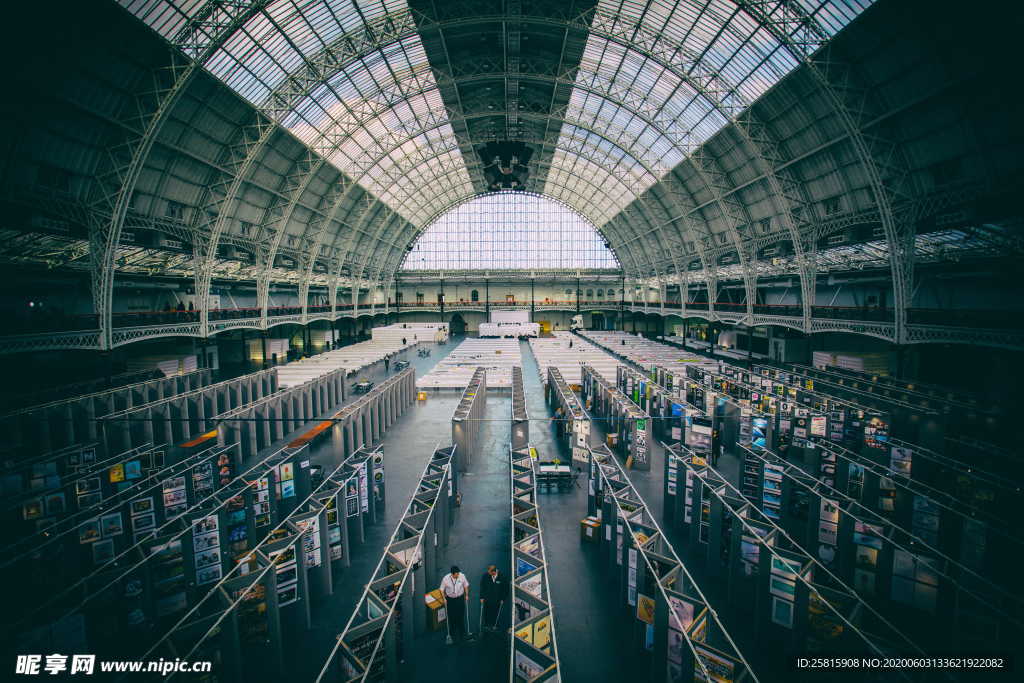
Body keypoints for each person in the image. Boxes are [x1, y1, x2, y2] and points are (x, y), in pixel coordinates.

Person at [440, 565, 470, 643]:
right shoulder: (445, 579)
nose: (458, 576)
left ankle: (462, 631)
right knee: (451, 615)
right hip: (450, 600)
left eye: (458, 574)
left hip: (460, 598)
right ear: (452, 574)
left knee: (460, 615)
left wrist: (466, 595)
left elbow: (466, 585)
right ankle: (452, 631)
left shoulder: (462, 576)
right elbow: (441, 589)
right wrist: (444, 598)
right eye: (456, 575)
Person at [479, 564, 506, 632]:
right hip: (487, 598)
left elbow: (505, 588)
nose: (488, 573)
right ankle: (486, 625)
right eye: (488, 572)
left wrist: (503, 598)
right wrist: (482, 597)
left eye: (490, 572)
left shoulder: (502, 577)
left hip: (497, 599)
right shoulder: (485, 576)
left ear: (494, 572)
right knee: (487, 612)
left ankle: (495, 625)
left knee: (495, 612)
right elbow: (482, 586)